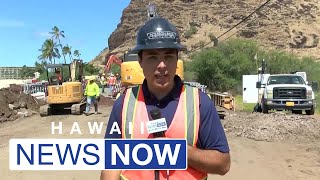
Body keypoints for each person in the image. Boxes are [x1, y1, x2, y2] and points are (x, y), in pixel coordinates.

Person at [101, 16, 230, 180]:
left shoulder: (199, 102)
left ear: (177, 59)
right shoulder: (124, 104)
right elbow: (111, 164)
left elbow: (223, 164)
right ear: (140, 61)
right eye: (152, 57)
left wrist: (179, 151)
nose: (161, 65)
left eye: (168, 56)